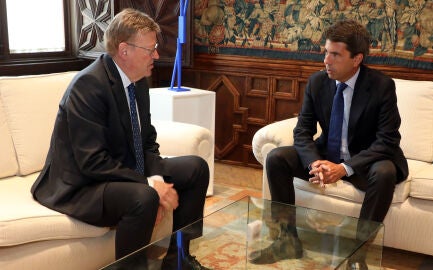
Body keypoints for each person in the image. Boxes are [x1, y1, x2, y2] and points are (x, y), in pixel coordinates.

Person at [31, 8, 210, 269]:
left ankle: (177, 260)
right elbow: (92, 162)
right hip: (81, 185)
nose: (156, 55)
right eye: (151, 49)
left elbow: (147, 140)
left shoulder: (137, 81)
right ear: (124, 50)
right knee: (143, 196)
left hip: (120, 167)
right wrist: (149, 185)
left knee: (195, 168)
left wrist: (157, 179)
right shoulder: (88, 86)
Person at [249, 19, 408, 269]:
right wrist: (314, 163)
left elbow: (387, 141)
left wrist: (343, 169)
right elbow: (302, 131)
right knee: (277, 157)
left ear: (357, 59)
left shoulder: (381, 87)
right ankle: (287, 240)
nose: (326, 60)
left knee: (385, 171)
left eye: (335, 55)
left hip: (364, 161)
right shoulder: (317, 82)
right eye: (326, 52)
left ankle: (357, 256)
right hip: (326, 154)